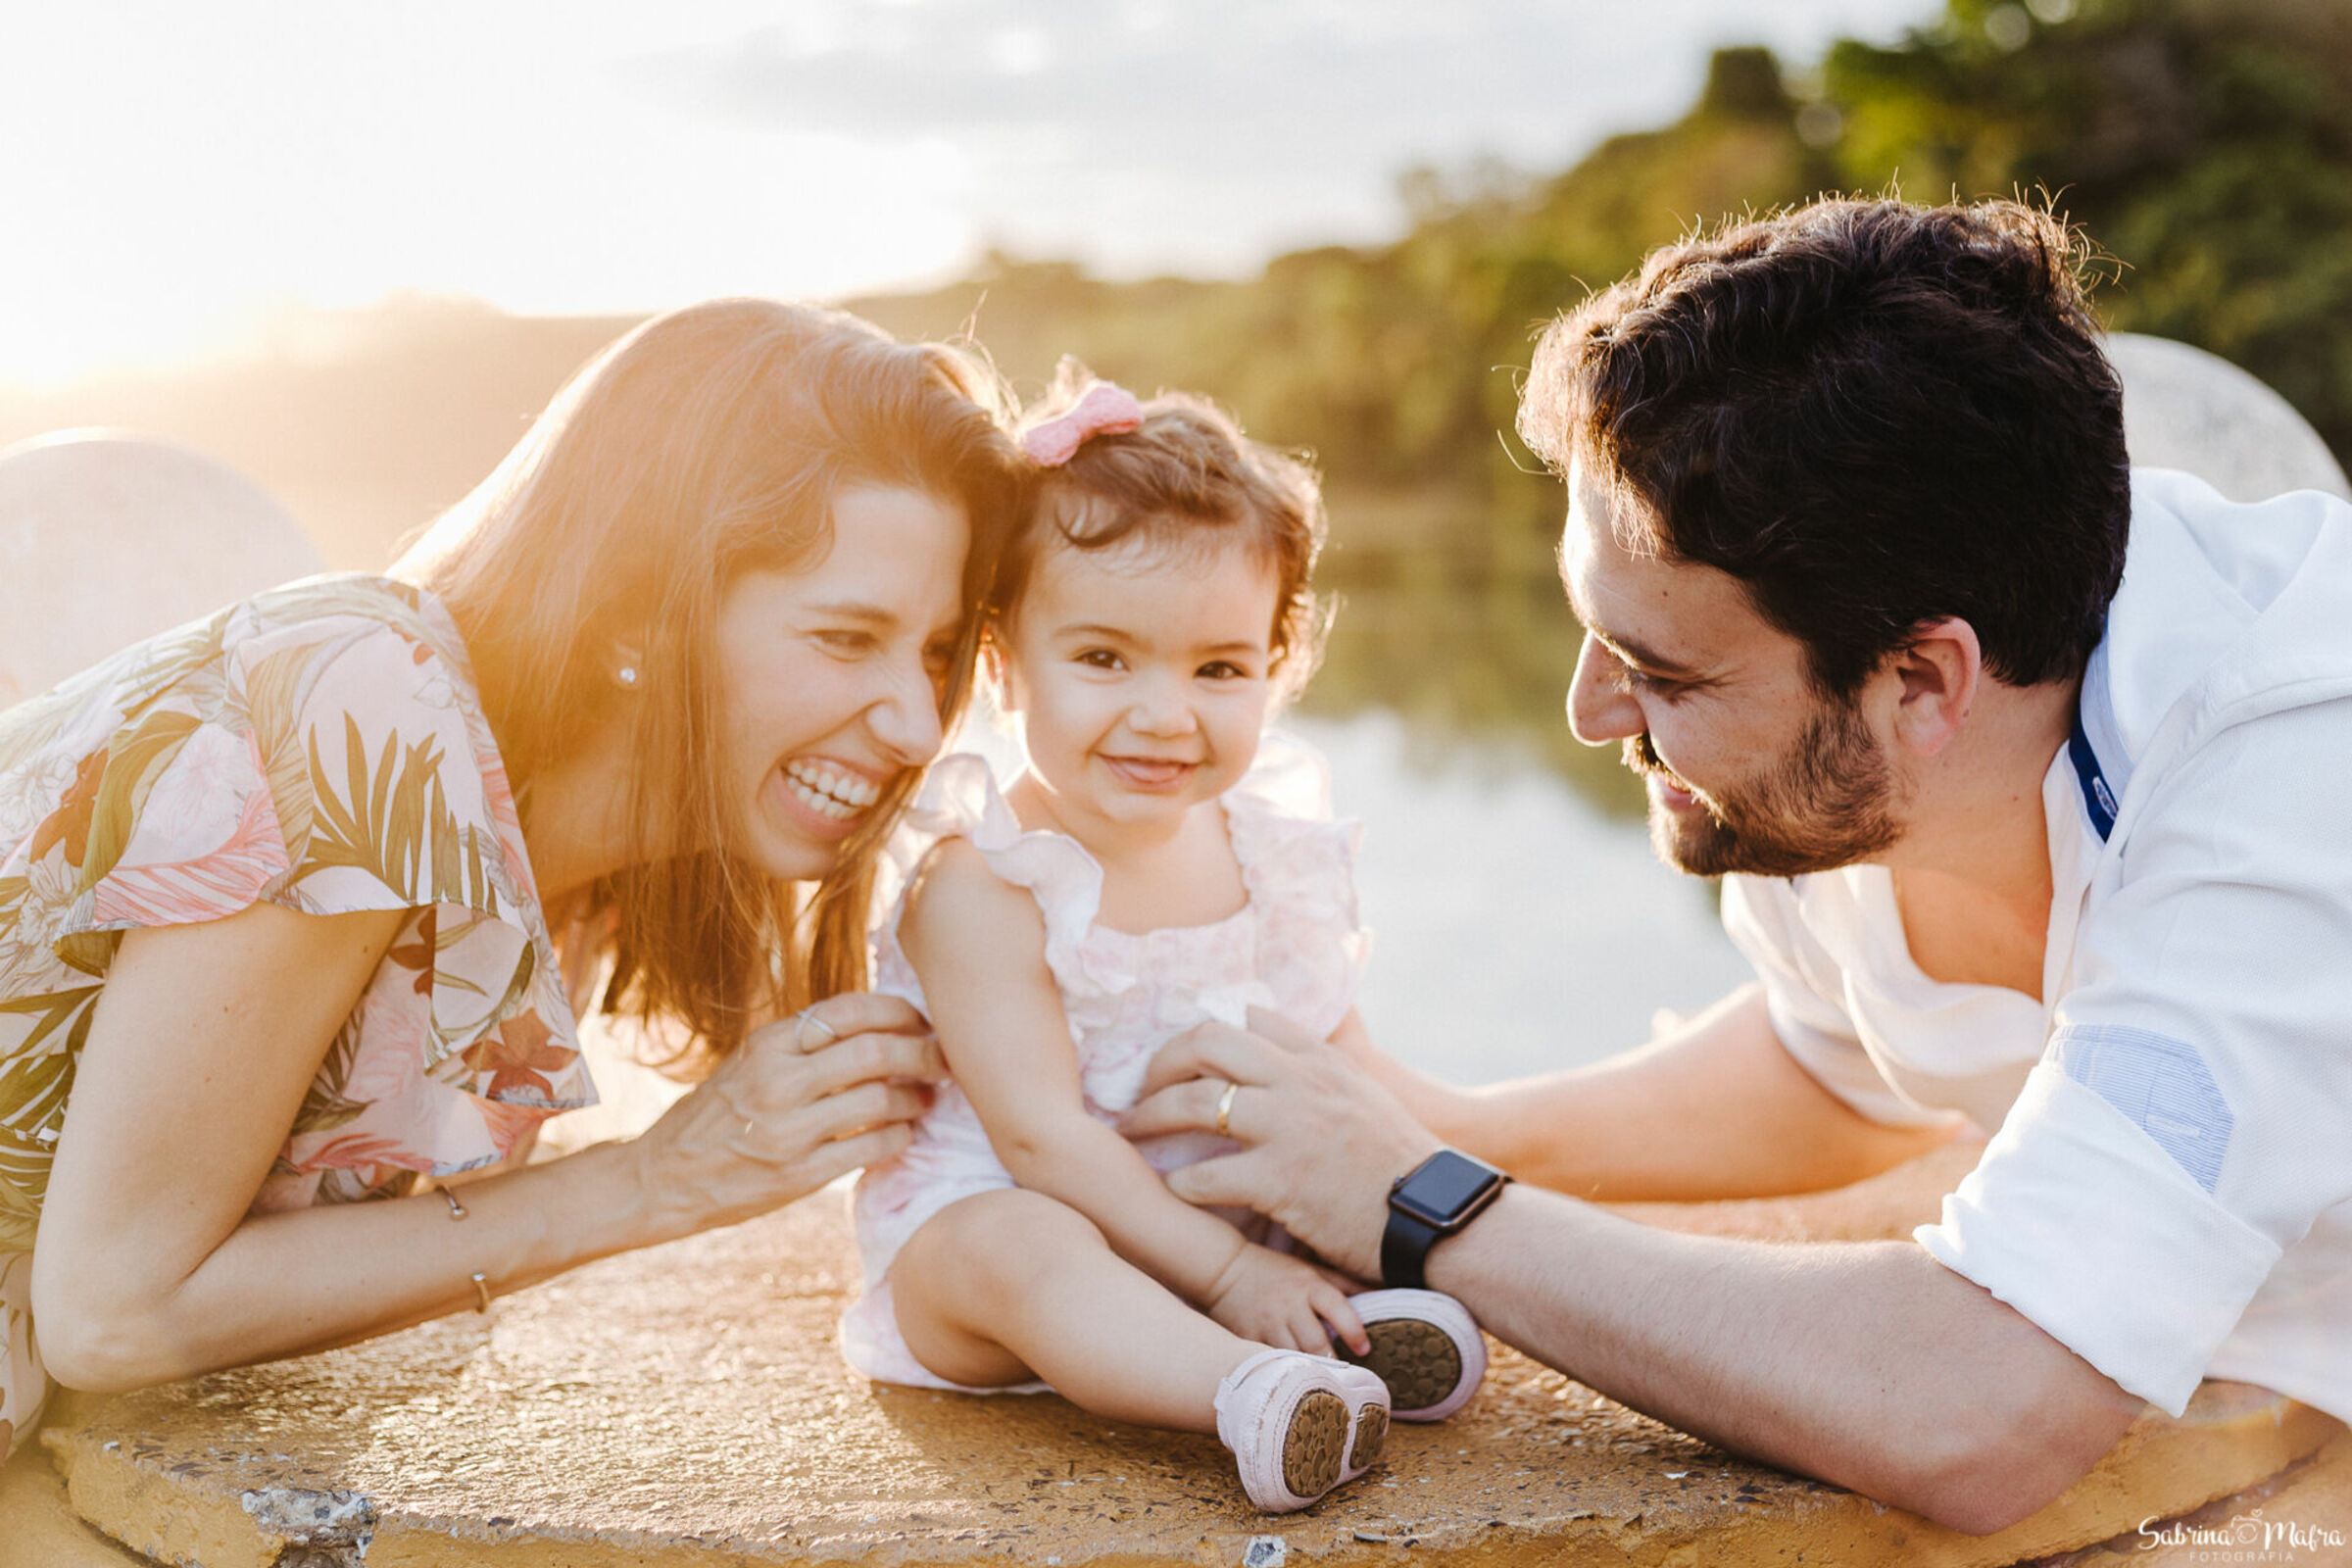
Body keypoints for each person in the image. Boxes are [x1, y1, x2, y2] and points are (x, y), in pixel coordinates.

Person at [1126, 195, 2352, 1534]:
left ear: (1922, 679)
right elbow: (1839, 1055)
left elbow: (1978, 1407)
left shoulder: (2291, 777)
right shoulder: (1901, 688)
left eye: (1660, 670)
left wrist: (1424, 1208)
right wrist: (1428, 1128)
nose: (1589, 711)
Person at [0, 299, 1026, 1463]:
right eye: (846, 638)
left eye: (938, 654)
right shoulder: (361, 691)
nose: (912, 721)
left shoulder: (584, 886)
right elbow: (112, 1307)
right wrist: (654, 1179)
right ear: (643, 611)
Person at [837, 368, 1488, 1513]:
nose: (1164, 713)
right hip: (991, 1252)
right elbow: (1041, 1138)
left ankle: (1345, 1327)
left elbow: (1339, 1066)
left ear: (1276, 668)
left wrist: (1367, 1219)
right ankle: (1252, 1390)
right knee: (1019, 1243)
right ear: (1001, 663)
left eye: (1218, 668)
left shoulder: (1270, 854)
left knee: (1320, 1202)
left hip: (1215, 1237)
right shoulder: (984, 877)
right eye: (1103, 658)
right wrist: (1232, 1273)